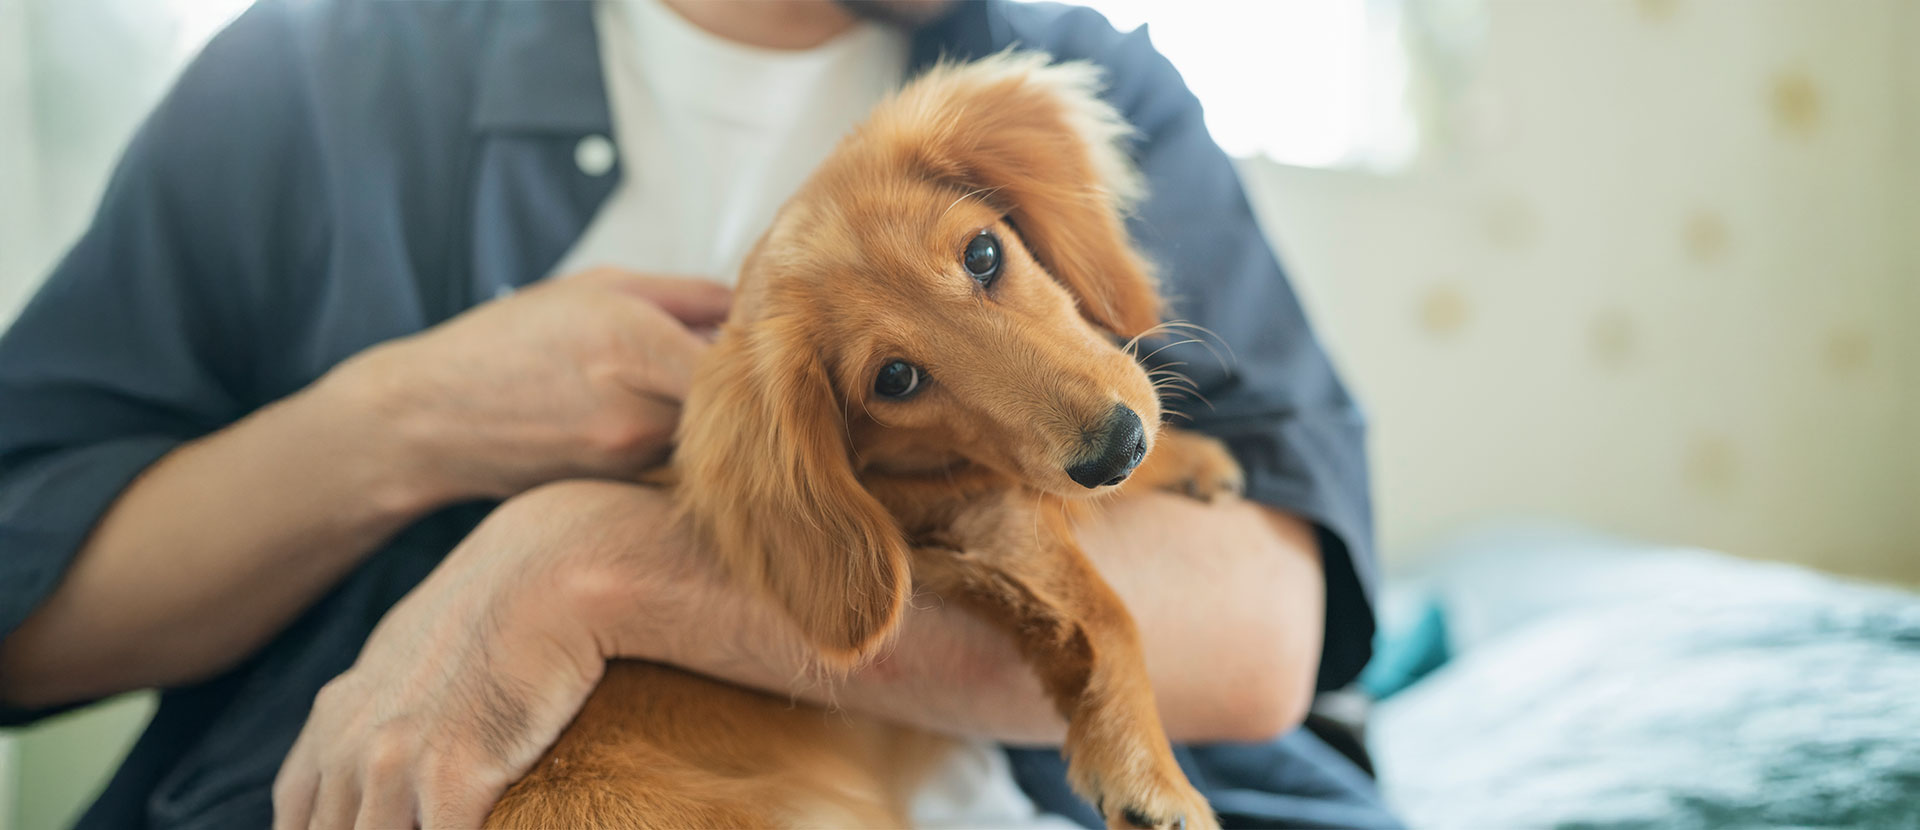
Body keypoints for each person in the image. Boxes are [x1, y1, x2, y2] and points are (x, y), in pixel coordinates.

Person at [0, 0, 1395, 827]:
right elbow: (25, 612)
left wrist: (589, 569)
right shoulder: (321, 71)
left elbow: (1274, 619)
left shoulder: (1067, 74)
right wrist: (405, 418)